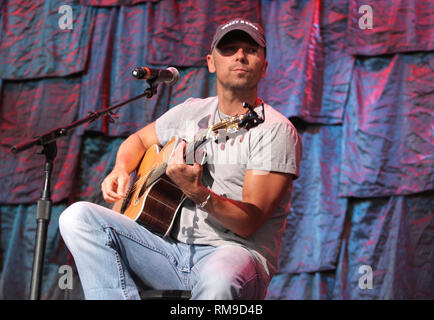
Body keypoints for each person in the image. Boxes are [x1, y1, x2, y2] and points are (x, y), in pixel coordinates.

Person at [59, 17, 302, 300]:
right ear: (211, 62)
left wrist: (196, 192)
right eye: (230, 49)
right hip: (168, 250)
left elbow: (249, 222)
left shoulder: (273, 129)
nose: (240, 56)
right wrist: (121, 169)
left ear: (264, 66)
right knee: (77, 217)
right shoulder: (190, 112)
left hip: (234, 252)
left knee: (219, 280)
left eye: (250, 50)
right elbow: (137, 141)